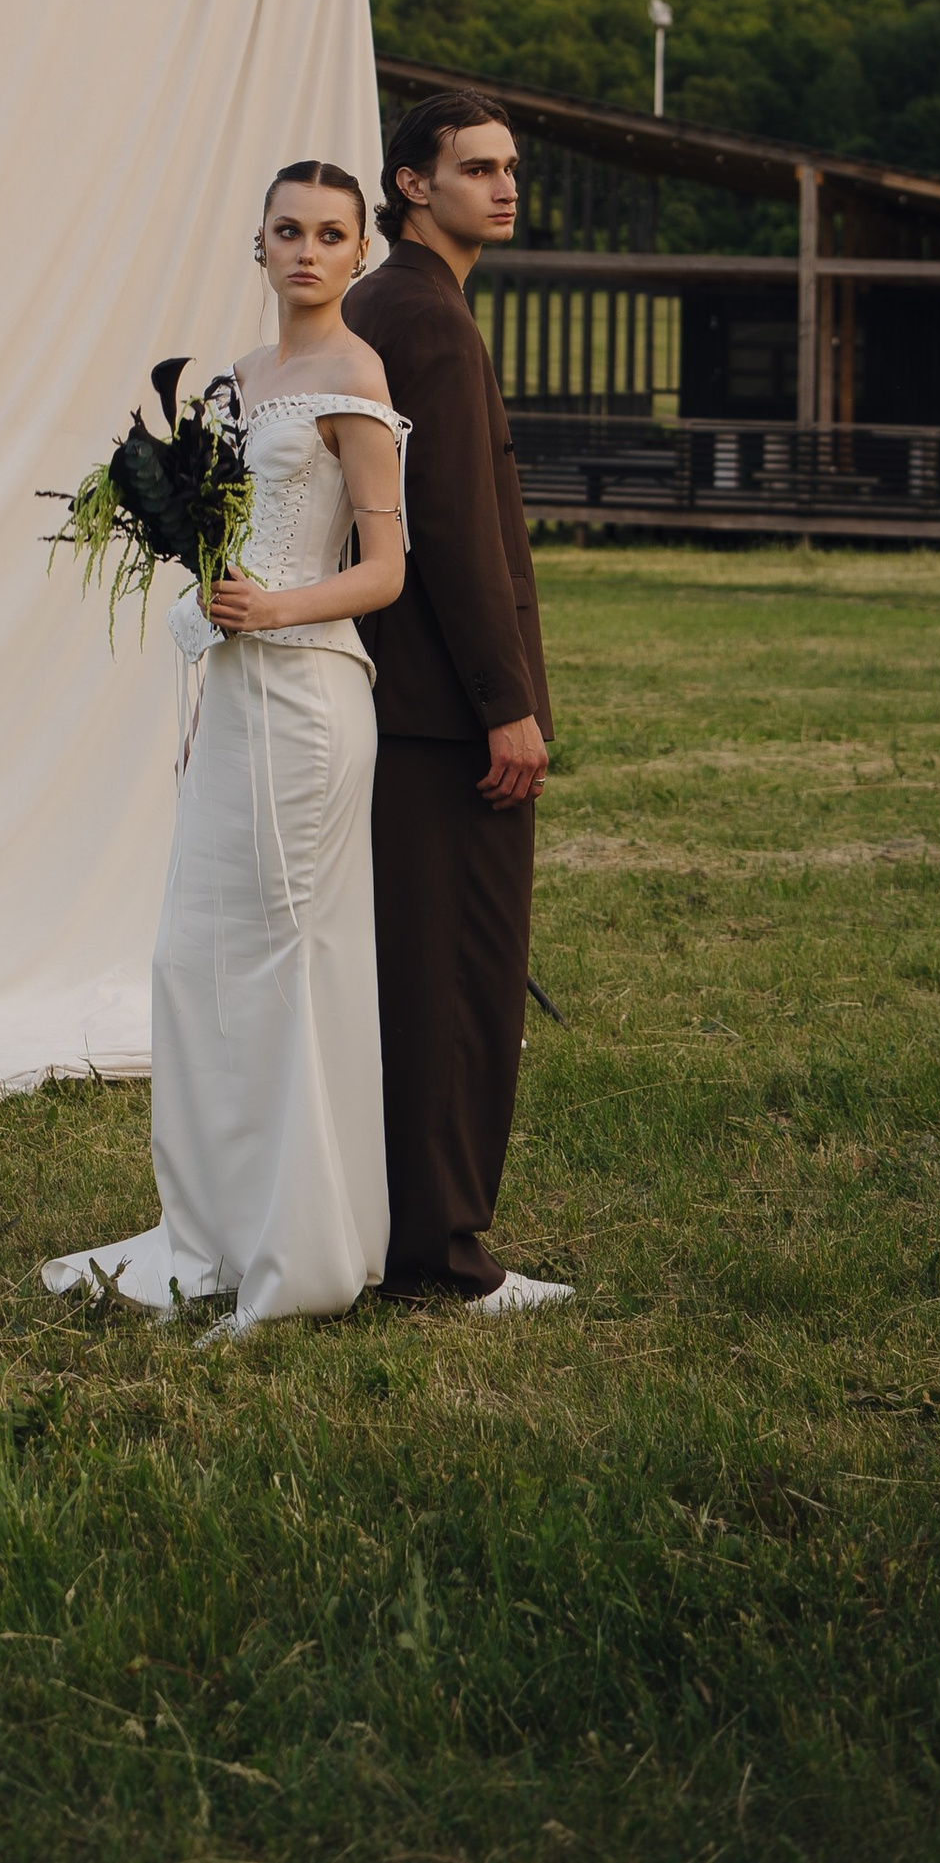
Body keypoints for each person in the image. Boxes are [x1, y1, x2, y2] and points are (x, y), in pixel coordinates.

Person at [42, 161, 409, 1337]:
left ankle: (300, 1245)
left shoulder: (357, 375)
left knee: (286, 956)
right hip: (236, 690)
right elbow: (229, 539)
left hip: (308, 698)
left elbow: (386, 568)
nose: (306, 250)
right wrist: (208, 593)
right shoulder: (241, 381)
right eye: (286, 231)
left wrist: (277, 608)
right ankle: (210, 1222)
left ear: (361, 252)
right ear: (256, 245)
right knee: (195, 955)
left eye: (331, 234)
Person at [344, 89, 570, 1318]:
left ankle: (406, 1230)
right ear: (408, 185)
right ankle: (443, 1253)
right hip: (441, 715)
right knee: (460, 984)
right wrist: (506, 702)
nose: (505, 184)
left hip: (406, 705)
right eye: (476, 167)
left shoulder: (394, 306)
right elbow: (454, 537)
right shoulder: (423, 318)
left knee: (418, 979)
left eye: (512, 166)